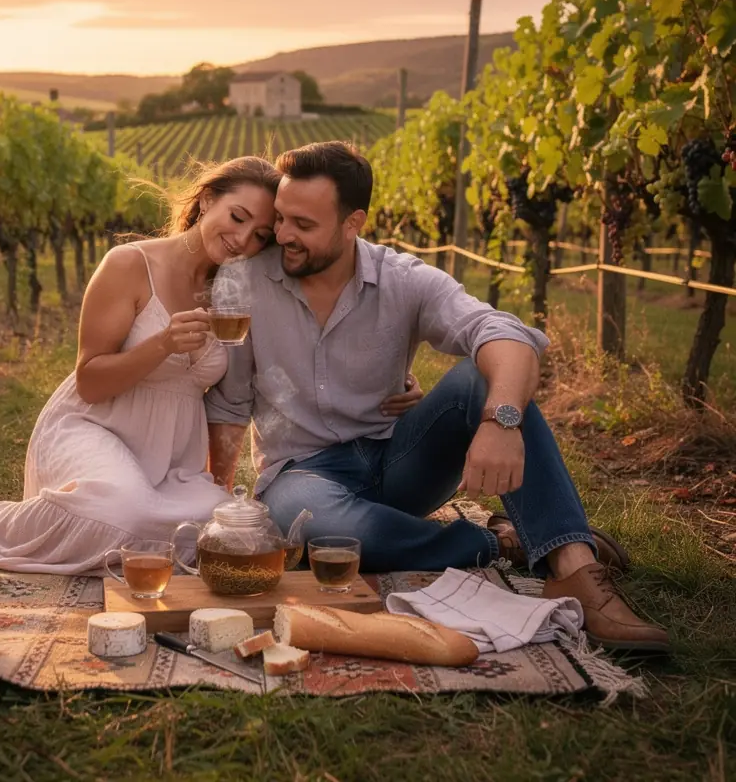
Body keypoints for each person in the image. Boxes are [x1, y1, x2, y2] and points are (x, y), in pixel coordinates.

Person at [205, 141, 669, 652]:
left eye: (305, 226)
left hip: (400, 458)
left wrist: (501, 421)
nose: (284, 236)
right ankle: (505, 543)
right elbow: (228, 404)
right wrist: (218, 508)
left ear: (353, 222)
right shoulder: (244, 283)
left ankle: (574, 569)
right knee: (320, 532)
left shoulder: (403, 279)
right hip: (302, 474)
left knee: (480, 377)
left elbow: (504, 333)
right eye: (283, 219)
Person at [0, 157, 285, 572]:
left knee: (219, 528)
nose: (243, 239)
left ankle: (46, 516)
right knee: (122, 515)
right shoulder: (130, 264)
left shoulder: (231, 292)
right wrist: (162, 344)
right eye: (237, 217)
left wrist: (219, 484)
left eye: (259, 235)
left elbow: (228, 400)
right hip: (93, 429)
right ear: (208, 199)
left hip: (170, 458)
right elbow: (89, 381)